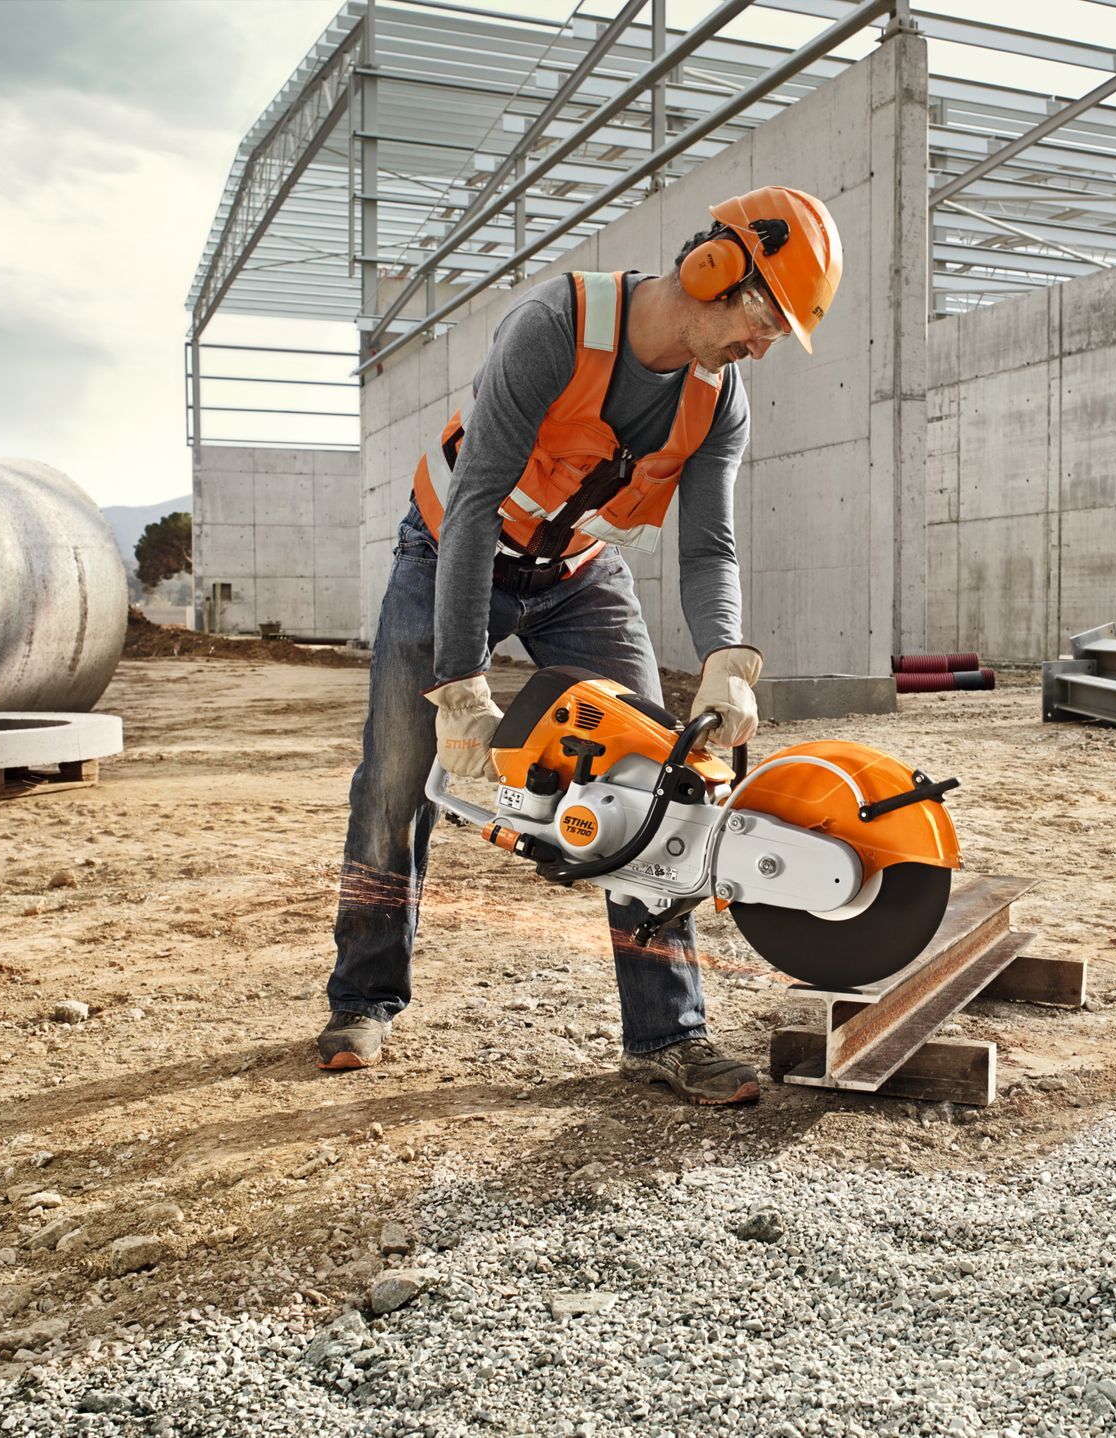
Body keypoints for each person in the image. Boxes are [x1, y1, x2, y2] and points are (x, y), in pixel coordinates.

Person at [315, 185, 844, 1106]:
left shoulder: (720, 399)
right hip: (451, 551)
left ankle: (667, 1034)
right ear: (715, 270)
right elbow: (476, 501)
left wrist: (726, 658)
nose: (764, 345)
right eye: (767, 319)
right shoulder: (555, 325)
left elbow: (708, 546)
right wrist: (461, 684)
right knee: (398, 777)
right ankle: (364, 998)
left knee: (657, 780)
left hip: (575, 574)